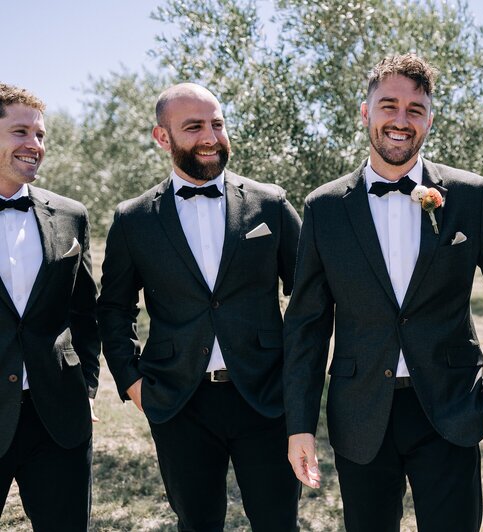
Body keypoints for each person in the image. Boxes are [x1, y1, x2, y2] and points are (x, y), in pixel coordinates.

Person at [282, 53, 483, 531]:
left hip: (451, 406)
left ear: (429, 119)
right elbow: (306, 324)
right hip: (361, 413)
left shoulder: (469, 195)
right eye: (389, 106)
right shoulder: (324, 207)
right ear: (365, 112)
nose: (401, 121)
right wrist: (300, 424)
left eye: (414, 110)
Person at [97, 83, 302, 531]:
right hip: (178, 402)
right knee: (197, 523)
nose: (210, 136)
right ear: (162, 137)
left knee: (278, 521)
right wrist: (132, 382)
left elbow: (309, 297)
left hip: (266, 397)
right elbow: (113, 308)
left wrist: (299, 376)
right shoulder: (133, 219)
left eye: (217, 124)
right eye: (194, 127)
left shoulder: (270, 204)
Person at [0, 83, 100, 531]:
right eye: (21, 132)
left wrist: (87, 388)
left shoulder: (70, 215)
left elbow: (85, 312)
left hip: (58, 415)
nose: (34, 145)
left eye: (40, 135)